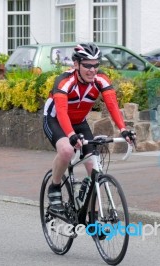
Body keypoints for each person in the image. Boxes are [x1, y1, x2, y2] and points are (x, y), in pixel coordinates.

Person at [43, 42, 135, 213]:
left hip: (79, 122)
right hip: (55, 120)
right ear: (76, 65)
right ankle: (54, 188)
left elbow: (112, 105)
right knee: (66, 151)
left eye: (96, 65)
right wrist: (70, 135)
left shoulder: (100, 80)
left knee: (94, 168)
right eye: (87, 65)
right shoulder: (64, 81)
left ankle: (95, 217)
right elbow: (61, 111)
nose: (92, 70)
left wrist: (123, 129)